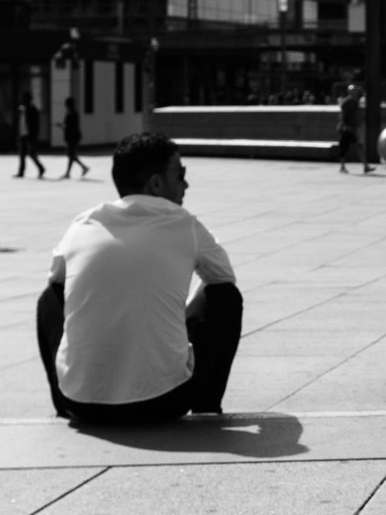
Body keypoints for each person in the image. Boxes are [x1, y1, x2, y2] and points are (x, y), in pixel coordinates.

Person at [36, 132, 243, 424]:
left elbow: (55, 284)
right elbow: (223, 281)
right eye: (180, 173)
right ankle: (206, 405)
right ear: (156, 183)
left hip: (82, 404)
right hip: (163, 403)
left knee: (49, 298)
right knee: (226, 298)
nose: (186, 183)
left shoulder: (84, 223)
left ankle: (62, 403)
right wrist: (180, 317)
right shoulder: (184, 224)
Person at [337, 84, 374, 174]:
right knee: (345, 147)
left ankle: (365, 166)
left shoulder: (355, 101)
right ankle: (343, 166)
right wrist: (345, 126)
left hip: (352, 128)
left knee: (358, 146)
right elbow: (342, 115)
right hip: (347, 129)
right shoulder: (347, 102)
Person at [14, 91, 46, 178]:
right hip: (22, 134)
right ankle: (21, 172)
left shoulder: (32, 109)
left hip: (30, 135)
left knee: (31, 153)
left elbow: (35, 124)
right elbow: (20, 122)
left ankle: (41, 168)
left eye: (23, 98)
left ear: (27, 99)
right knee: (22, 154)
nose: (22, 100)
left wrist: (34, 136)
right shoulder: (22, 109)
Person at [57, 97, 89, 179]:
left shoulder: (71, 113)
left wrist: (62, 125)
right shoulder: (73, 112)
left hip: (72, 137)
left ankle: (78, 169)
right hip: (73, 136)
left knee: (71, 155)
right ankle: (81, 168)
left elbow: (70, 126)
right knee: (71, 155)